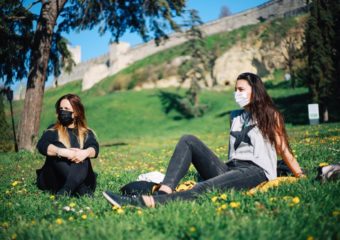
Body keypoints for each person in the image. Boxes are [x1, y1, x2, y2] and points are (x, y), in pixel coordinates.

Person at [103, 72, 305, 207]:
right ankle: (164, 191)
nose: (237, 93)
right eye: (235, 89)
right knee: (188, 139)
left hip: (255, 171)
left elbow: (283, 149)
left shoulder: (270, 114)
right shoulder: (234, 115)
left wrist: (299, 175)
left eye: (241, 89)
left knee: (204, 187)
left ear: (255, 91)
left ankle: (147, 202)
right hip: (232, 168)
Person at [36, 94, 99, 197]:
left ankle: (66, 190)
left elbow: (94, 148)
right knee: (57, 145)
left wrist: (84, 153)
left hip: (80, 175)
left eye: (66, 108)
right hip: (56, 179)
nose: (62, 112)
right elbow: (42, 145)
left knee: (82, 153)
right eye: (61, 109)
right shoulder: (53, 129)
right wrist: (62, 152)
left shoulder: (85, 132)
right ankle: (82, 190)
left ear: (76, 112)